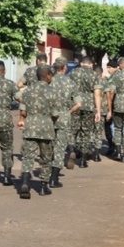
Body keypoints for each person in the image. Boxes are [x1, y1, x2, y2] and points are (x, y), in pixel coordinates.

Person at [17, 66, 59, 199]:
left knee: (28, 157)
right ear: (47, 76)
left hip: (30, 127)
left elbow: (23, 111)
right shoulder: (52, 91)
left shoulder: (28, 91)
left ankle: (24, 183)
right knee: (46, 158)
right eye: (51, 75)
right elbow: (55, 114)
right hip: (46, 127)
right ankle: (43, 187)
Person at [50, 57, 82, 186]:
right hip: (64, 117)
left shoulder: (49, 81)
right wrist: (69, 112)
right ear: (65, 68)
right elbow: (79, 104)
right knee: (60, 148)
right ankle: (54, 178)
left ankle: (45, 174)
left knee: (49, 146)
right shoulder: (71, 83)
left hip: (49, 118)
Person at [69, 56, 102, 168]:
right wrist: (98, 110)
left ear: (81, 63)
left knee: (73, 130)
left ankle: (72, 150)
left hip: (74, 104)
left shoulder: (73, 73)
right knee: (86, 132)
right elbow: (97, 94)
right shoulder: (94, 75)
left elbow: (67, 89)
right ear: (91, 64)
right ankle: (83, 160)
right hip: (88, 105)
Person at [103, 60, 119, 157]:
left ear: (114, 68)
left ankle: (113, 147)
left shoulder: (114, 78)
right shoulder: (118, 76)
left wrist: (109, 106)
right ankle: (116, 147)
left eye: (109, 68)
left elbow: (111, 92)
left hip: (113, 105)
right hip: (119, 105)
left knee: (110, 127)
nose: (108, 70)